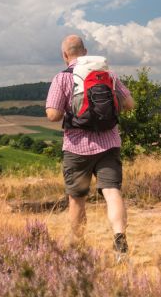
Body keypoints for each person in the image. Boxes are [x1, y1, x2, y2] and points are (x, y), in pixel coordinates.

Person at [45, 34, 135, 253]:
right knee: (112, 191)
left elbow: (53, 115)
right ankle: (119, 236)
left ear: (64, 55)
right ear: (85, 52)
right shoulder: (108, 74)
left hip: (77, 148)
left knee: (77, 199)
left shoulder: (62, 78)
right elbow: (130, 104)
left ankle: (78, 247)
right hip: (110, 143)